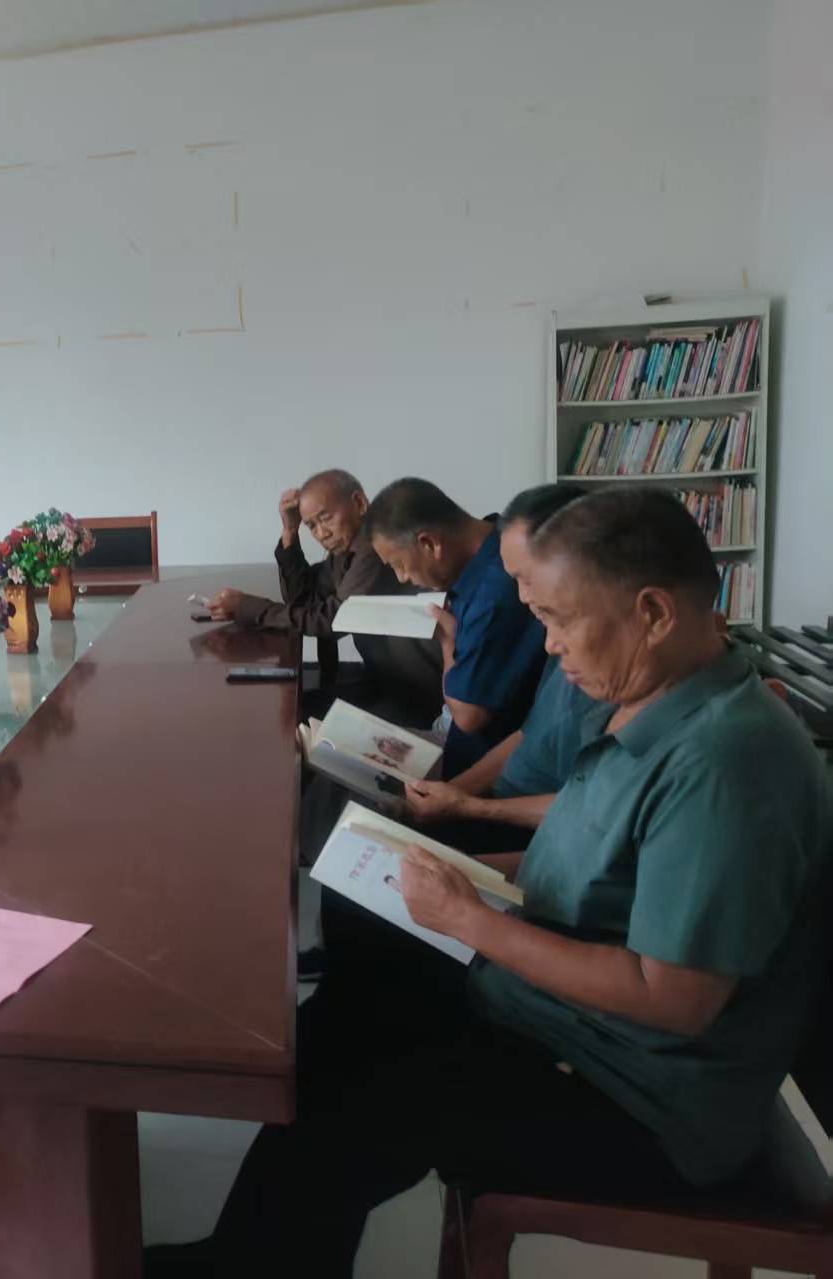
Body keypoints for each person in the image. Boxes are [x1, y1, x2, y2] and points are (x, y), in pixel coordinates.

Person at [147, 487, 831, 1278]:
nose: (550, 647)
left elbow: (672, 997)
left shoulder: (725, 763)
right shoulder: (655, 705)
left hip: (644, 1101)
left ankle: (253, 1259)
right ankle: (256, 1256)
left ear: (651, 612)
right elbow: (593, 860)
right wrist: (450, 873)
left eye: (561, 620)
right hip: (582, 1030)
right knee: (347, 1013)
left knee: (377, 1094)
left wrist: (470, 919)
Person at [403, 483, 599, 836]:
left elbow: (596, 818)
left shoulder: (619, 676)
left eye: (525, 577)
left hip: (514, 826)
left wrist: (470, 807)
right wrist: (456, 795)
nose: (521, 596)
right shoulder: (560, 643)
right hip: (493, 802)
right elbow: (529, 734)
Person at [208, 469, 443, 726]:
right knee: (293, 709)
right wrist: (290, 531)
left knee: (292, 718)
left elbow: (333, 620)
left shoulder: (374, 548)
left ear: (360, 503)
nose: (322, 534)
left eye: (326, 518)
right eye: (312, 526)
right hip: (383, 681)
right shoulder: (345, 552)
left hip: (416, 697)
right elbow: (302, 597)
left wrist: (251, 608)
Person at [367, 477, 546, 775]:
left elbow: (467, 717)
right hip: (461, 746)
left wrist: (448, 641)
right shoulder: (493, 534)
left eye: (399, 565)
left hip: (484, 769)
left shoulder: (493, 595)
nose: (402, 578)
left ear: (428, 544)